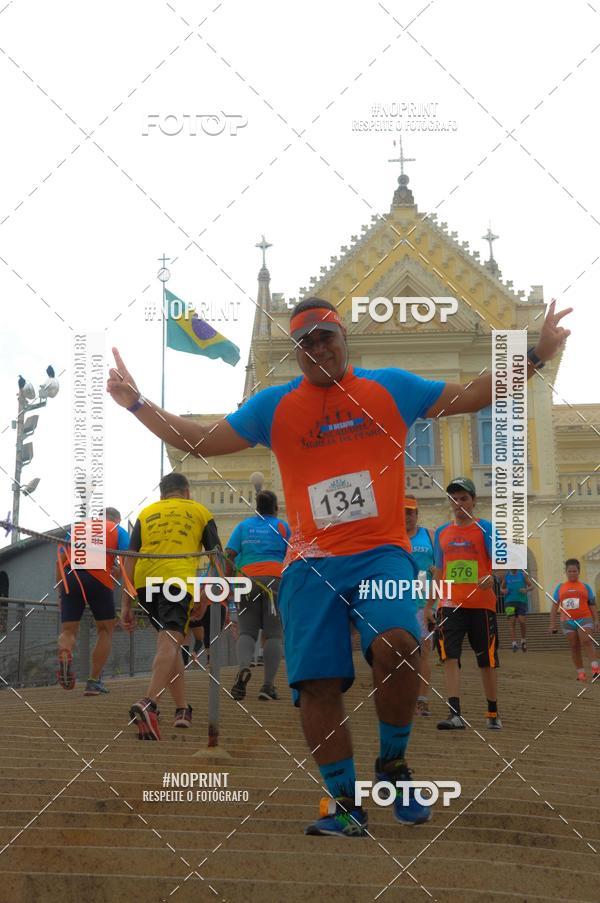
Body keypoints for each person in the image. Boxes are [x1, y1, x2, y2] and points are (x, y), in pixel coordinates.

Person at [108, 295, 570, 835]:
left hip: (380, 554)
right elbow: (200, 439)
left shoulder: (390, 387)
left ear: (343, 337)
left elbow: (472, 394)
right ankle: (344, 802)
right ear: (296, 350)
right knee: (318, 684)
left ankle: (392, 763)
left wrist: (536, 355)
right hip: (310, 564)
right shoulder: (275, 406)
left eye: (325, 336)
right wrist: (137, 403)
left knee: (401, 645)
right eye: (305, 342)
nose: (317, 348)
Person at [121, 473, 224, 739]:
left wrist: (126, 602)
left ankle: (182, 709)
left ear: (162, 494)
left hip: (144, 582)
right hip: (177, 580)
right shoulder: (200, 511)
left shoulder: (147, 513)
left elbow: (129, 557)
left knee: (170, 641)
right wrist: (208, 595)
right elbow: (218, 559)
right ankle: (149, 703)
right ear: (187, 491)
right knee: (169, 640)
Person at [434, 478, 502, 731]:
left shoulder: (487, 529)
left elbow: (503, 564)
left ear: (473, 501)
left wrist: (493, 577)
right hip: (449, 604)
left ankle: (492, 712)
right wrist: (432, 604)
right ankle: (454, 714)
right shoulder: (441, 532)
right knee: (449, 656)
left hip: (481, 605)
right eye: (454, 499)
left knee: (486, 659)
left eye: (464, 498)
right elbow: (439, 570)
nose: (459, 503)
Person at [56, 507, 129, 695]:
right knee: (105, 630)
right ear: (116, 520)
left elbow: (60, 560)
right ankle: (93, 681)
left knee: (68, 630)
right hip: (99, 577)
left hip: (71, 575)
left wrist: (61, 593)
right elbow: (128, 560)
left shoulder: (79, 527)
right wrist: (119, 575)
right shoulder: (117, 529)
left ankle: (65, 653)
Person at [226, 489, 290, 702]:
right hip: (275, 579)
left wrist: (227, 582)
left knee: (246, 632)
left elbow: (229, 554)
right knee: (273, 635)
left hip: (246, 579)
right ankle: (267, 687)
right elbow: (295, 555)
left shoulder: (243, 526)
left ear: (257, 508)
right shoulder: (282, 526)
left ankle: (244, 667)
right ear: (276, 509)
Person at [404, 495, 435, 716]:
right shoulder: (392, 538)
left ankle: (422, 699)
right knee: (403, 652)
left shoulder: (430, 536)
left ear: (416, 514)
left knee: (424, 651)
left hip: (424, 604)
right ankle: (404, 697)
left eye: (410, 512)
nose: (406, 517)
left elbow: (441, 566)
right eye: (402, 513)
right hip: (399, 602)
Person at [550, 559, 599, 682]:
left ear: (579, 571)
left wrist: (596, 620)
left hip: (584, 618)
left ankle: (595, 669)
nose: (572, 573)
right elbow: (555, 606)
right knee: (574, 646)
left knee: (586, 641)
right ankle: (580, 673)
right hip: (567, 621)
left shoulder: (585, 587)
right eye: (570, 571)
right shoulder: (560, 587)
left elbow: (592, 604)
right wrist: (552, 623)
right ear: (566, 572)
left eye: (574, 571)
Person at [500, 568, 534, 651]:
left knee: (522, 621)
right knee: (512, 622)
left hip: (521, 602)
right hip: (509, 602)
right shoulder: (506, 576)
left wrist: (526, 590)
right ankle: (514, 643)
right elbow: (501, 588)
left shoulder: (522, 575)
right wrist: (504, 591)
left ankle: (523, 641)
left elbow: (532, 586)